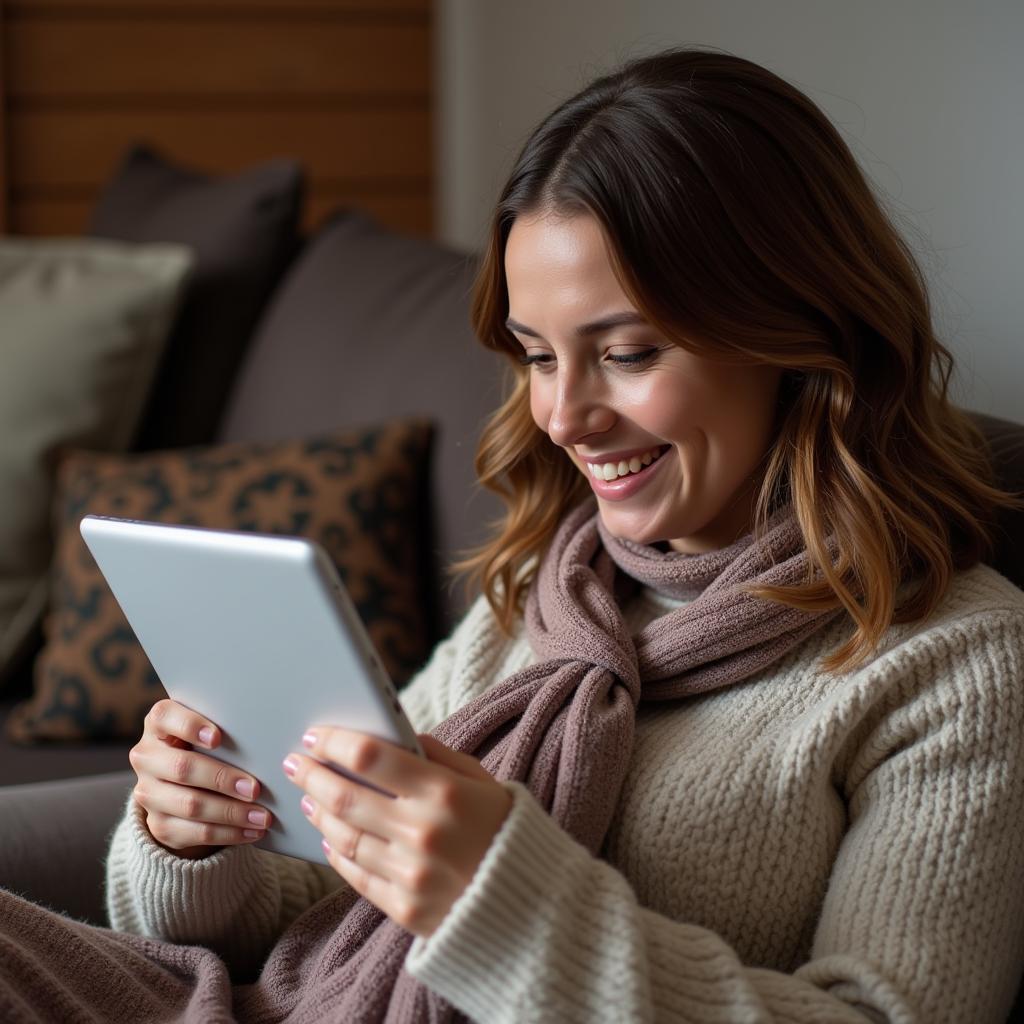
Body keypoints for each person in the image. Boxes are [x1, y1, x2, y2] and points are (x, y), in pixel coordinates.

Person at [3, 45, 1024, 1024]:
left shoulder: (953, 660)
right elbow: (318, 912)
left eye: (623, 353)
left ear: (799, 340)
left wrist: (500, 901)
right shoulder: (552, 586)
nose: (564, 415)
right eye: (538, 356)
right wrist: (191, 842)